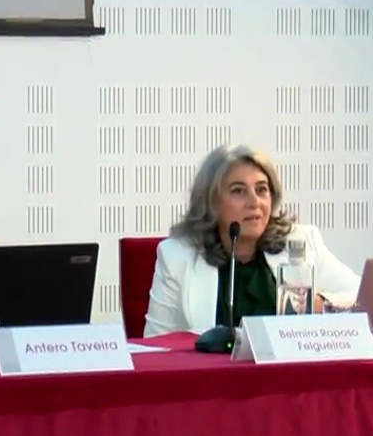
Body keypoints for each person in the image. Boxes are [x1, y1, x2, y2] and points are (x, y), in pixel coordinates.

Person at [144, 144, 360, 337]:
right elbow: (154, 346)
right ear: (211, 201)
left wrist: (322, 303)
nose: (254, 202)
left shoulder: (301, 241)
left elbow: (361, 297)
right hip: (211, 370)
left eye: (261, 189)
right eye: (238, 191)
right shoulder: (177, 255)